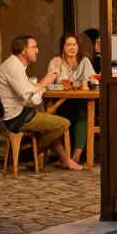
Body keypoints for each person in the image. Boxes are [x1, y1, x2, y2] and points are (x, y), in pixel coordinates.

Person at [0, 35, 81, 170]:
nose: (37, 51)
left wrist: (42, 85)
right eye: (33, 47)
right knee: (63, 124)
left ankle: (64, 160)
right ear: (24, 51)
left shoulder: (16, 66)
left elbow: (31, 98)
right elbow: (27, 97)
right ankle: (30, 155)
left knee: (50, 122)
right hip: (14, 118)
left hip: (18, 113)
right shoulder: (13, 67)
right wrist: (45, 81)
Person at [48, 32, 95, 164]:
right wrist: (57, 68)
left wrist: (85, 84)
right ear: (63, 46)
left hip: (81, 101)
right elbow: (51, 83)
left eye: (74, 44)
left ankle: (76, 156)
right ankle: (63, 155)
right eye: (68, 45)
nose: (72, 47)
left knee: (82, 110)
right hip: (62, 102)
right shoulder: (56, 61)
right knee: (60, 112)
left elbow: (91, 81)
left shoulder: (84, 61)